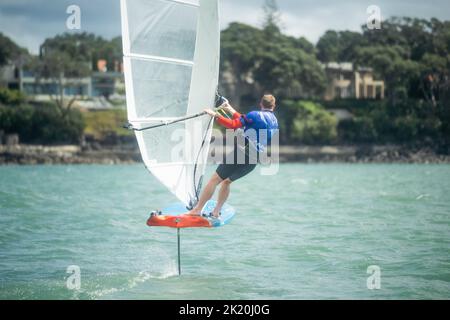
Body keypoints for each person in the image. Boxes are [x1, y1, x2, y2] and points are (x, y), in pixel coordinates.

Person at [186, 94, 279, 218]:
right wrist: (228, 108)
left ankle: (197, 209)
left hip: (242, 153)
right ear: (274, 106)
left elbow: (234, 125)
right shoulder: (274, 121)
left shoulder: (255, 114)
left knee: (215, 179)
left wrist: (216, 115)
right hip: (255, 158)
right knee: (226, 182)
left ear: (261, 104)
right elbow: (247, 120)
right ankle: (216, 212)